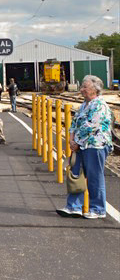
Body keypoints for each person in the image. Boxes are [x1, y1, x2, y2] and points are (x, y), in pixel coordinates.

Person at [60, 75, 113, 219]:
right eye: (82, 87)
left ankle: (98, 209)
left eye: (85, 87)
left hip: (95, 145)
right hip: (81, 145)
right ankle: (73, 206)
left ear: (95, 89)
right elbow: (75, 123)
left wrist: (75, 141)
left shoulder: (99, 105)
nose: (81, 90)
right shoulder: (84, 104)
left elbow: (91, 126)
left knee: (94, 176)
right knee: (75, 174)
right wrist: (71, 139)